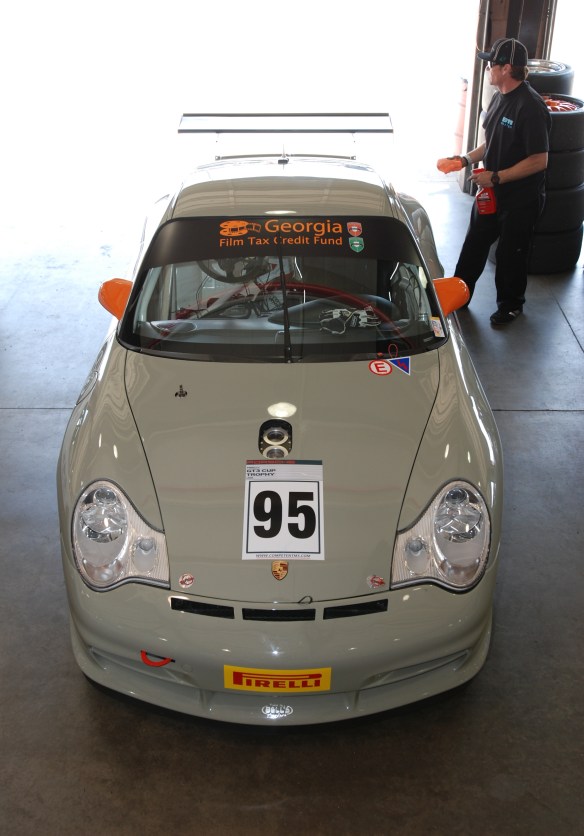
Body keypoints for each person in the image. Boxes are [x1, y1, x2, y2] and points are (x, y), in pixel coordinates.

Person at [439, 38, 552, 325]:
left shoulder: (531, 107)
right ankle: (459, 294)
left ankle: (511, 305)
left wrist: (497, 176)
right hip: (492, 193)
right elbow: (491, 143)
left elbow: (540, 160)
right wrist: (464, 160)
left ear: (506, 68)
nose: (488, 68)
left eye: (492, 64)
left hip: (520, 200)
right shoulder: (499, 97)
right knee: (473, 245)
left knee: (510, 254)